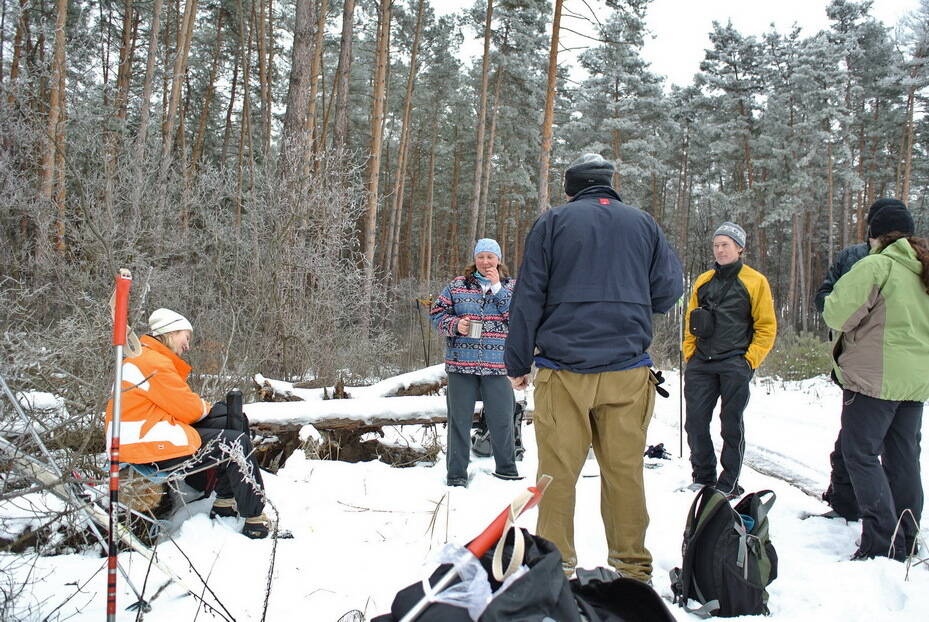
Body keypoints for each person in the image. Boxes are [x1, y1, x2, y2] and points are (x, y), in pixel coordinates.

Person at [505, 153, 683, 583]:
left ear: (572, 189)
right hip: (628, 369)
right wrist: (633, 305)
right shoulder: (643, 224)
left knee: (557, 474)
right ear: (608, 184)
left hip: (563, 370)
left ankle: (555, 568)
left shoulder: (554, 222)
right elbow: (669, 288)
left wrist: (517, 360)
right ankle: (632, 571)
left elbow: (528, 295)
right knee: (624, 473)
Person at [104, 308, 271, 538]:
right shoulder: (152, 362)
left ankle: (225, 501)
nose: (188, 345)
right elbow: (190, 409)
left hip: (144, 438)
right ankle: (255, 520)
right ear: (171, 332)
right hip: (146, 447)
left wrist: (213, 411)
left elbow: (178, 405)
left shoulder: (146, 357)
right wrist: (208, 407)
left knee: (230, 418)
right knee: (236, 443)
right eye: (186, 337)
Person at [823, 204, 928, 560]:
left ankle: (882, 542)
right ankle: (907, 536)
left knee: (861, 454)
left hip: (874, 380)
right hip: (915, 382)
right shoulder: (923, 268)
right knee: (904, 458)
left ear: (875, 234)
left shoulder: (876, 266)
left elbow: (837, 314)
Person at [814, 198, 907, 521]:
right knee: (879, 449)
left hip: (880, 369)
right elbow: (825, 295)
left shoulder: (889, 264)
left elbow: (842, 313)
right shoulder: (853, 257)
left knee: (863, 450)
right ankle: (862, 512)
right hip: (880, 368)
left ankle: (885, 528)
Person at [682, 222, 776, 500]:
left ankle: (730, 482)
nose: (720, 250)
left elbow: (766, 326)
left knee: (731, 424)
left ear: (740, 248)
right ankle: (703, 476)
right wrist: (689, 353)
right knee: (695, 422)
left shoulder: (755, 281)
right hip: (701, 362)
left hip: (735, 362)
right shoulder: (703, 280)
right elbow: (690, 319)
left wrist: (749, 360)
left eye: (725, 245)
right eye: (716, 245)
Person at [430, 239, 520, 487]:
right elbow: (437, 314)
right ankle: (456, 475)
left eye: (490, 257)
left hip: (498, 365)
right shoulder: (457, 286)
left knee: (502, 419)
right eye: (481, 257)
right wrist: (455, 325)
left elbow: (517, 318)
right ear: (475, 259)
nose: (485, 262)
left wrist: (497, 288)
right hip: (461, 365)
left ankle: (507, 470)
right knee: (459, 421)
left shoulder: (512, 286)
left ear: (499, 259)